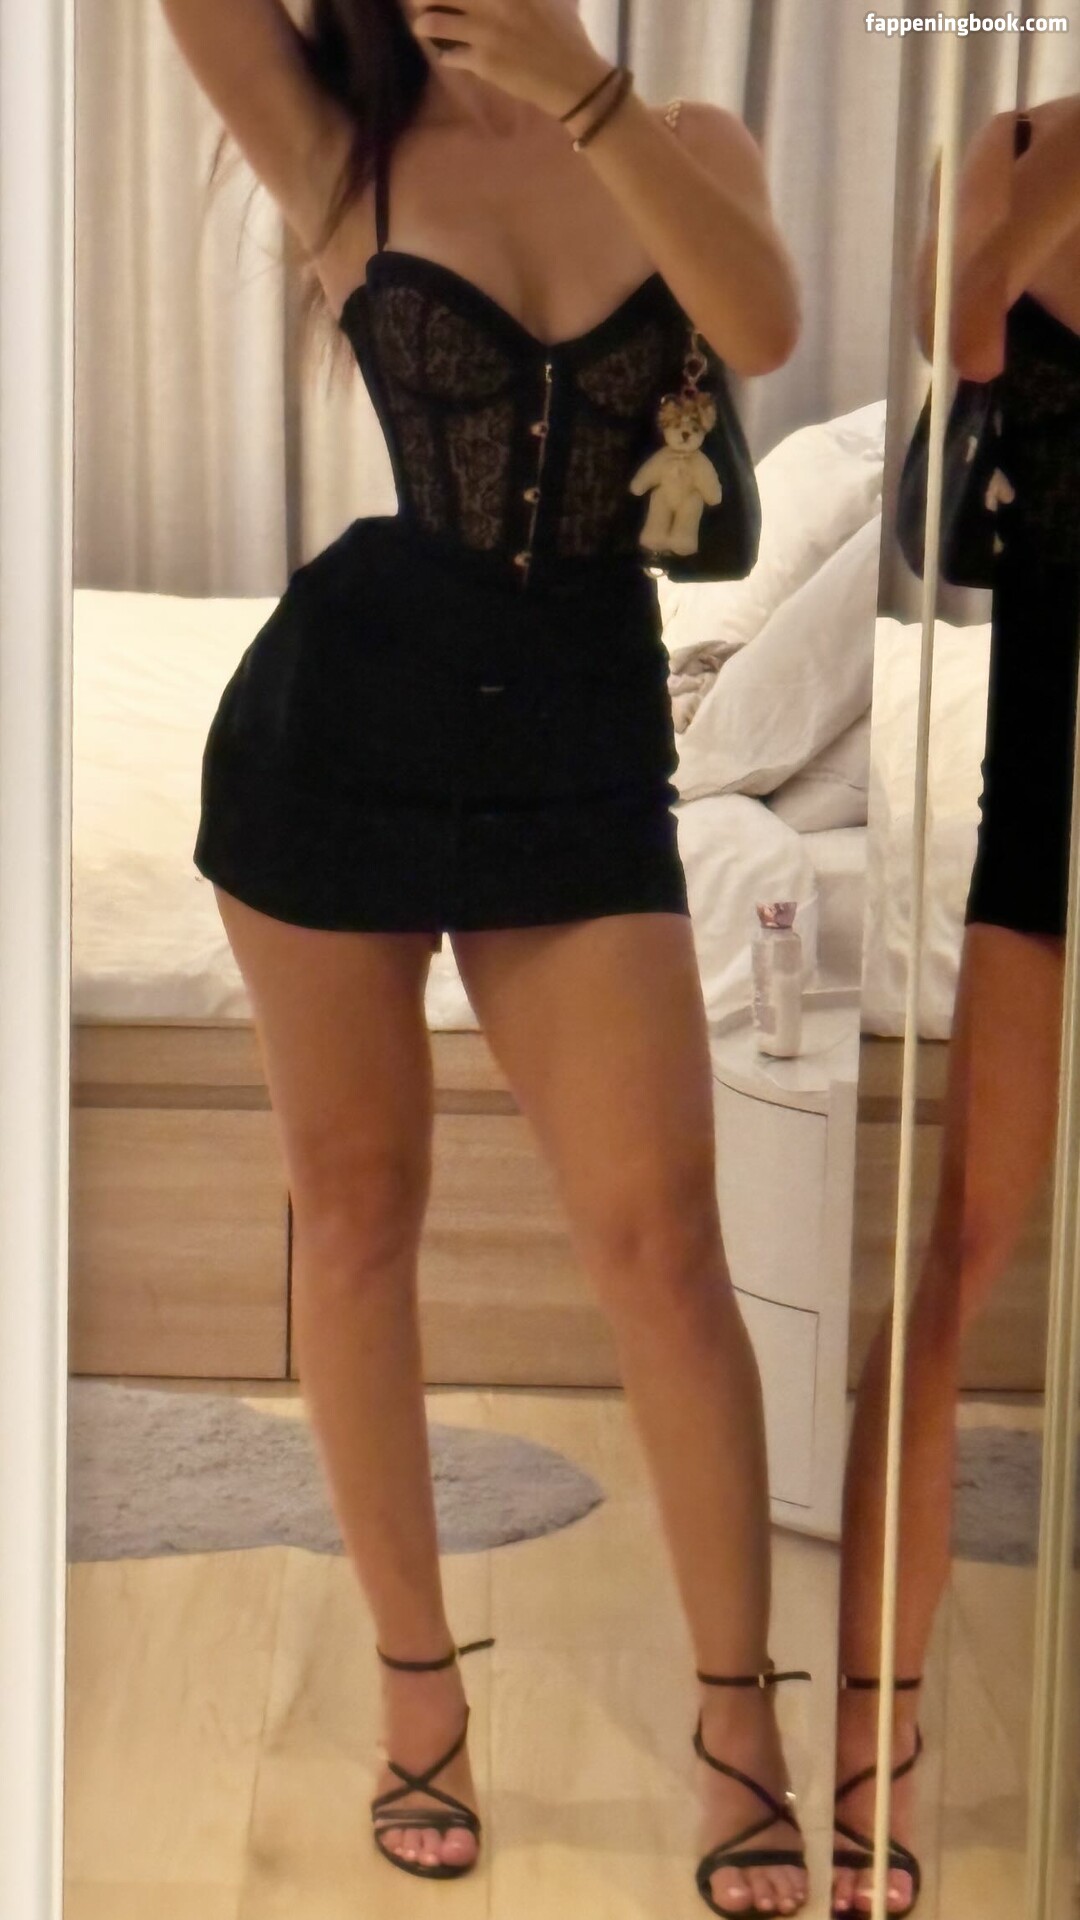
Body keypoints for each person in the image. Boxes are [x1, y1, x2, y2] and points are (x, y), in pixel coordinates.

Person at [159, 2, 807, 1914]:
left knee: (661, 1244)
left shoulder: (686, 134)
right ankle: (417, 1694)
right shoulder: (336, 141)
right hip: (335, 736)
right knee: (358, 1218)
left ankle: (740, 1727)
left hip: (579, 746)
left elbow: (762, 329)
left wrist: (576, 87)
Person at [833, 95, 1080, 1919]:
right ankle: (876, 1735)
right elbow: (955, 319)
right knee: (967, 1246)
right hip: (1048, 812)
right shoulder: (1016, 147)